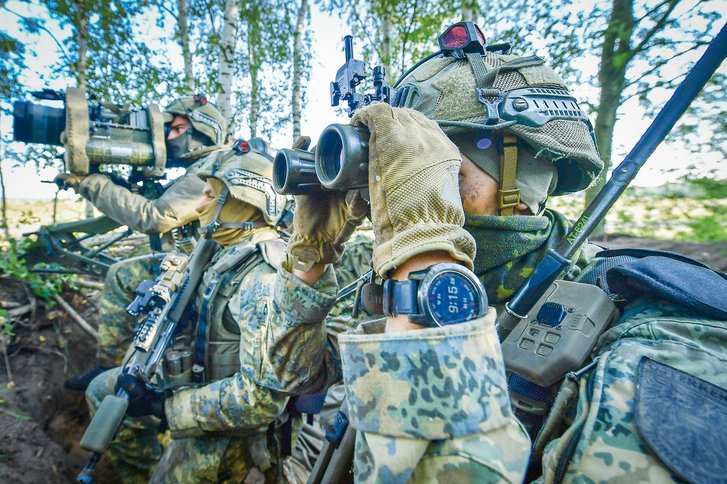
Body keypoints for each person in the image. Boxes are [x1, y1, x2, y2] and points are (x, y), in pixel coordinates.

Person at [264, 22, 727, 483]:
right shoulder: (393, 277)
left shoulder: (652, 334)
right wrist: (310, 260)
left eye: (429, 163)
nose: (395, 186)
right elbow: (293, 379)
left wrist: (426, 271)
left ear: (518, 181)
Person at [85, 146, 374, 483]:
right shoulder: (223, 248)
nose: (200, 203)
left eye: (211, 193)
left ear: (242, 201)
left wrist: (166, 408)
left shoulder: (261, 277)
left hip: (237, 436)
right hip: (201, 381)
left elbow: (261, 401)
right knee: (101, 391)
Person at [64, 96, 227, 391]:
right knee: (121, 274)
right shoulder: (202, 167)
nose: (169, 136)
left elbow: (156, 216)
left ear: (201, 135)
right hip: (200, 263)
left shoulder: (213, 166)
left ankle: (120, 376)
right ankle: (108, 365)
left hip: (212, 272)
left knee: (125, 276)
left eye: (178, 129)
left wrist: (90, 182)